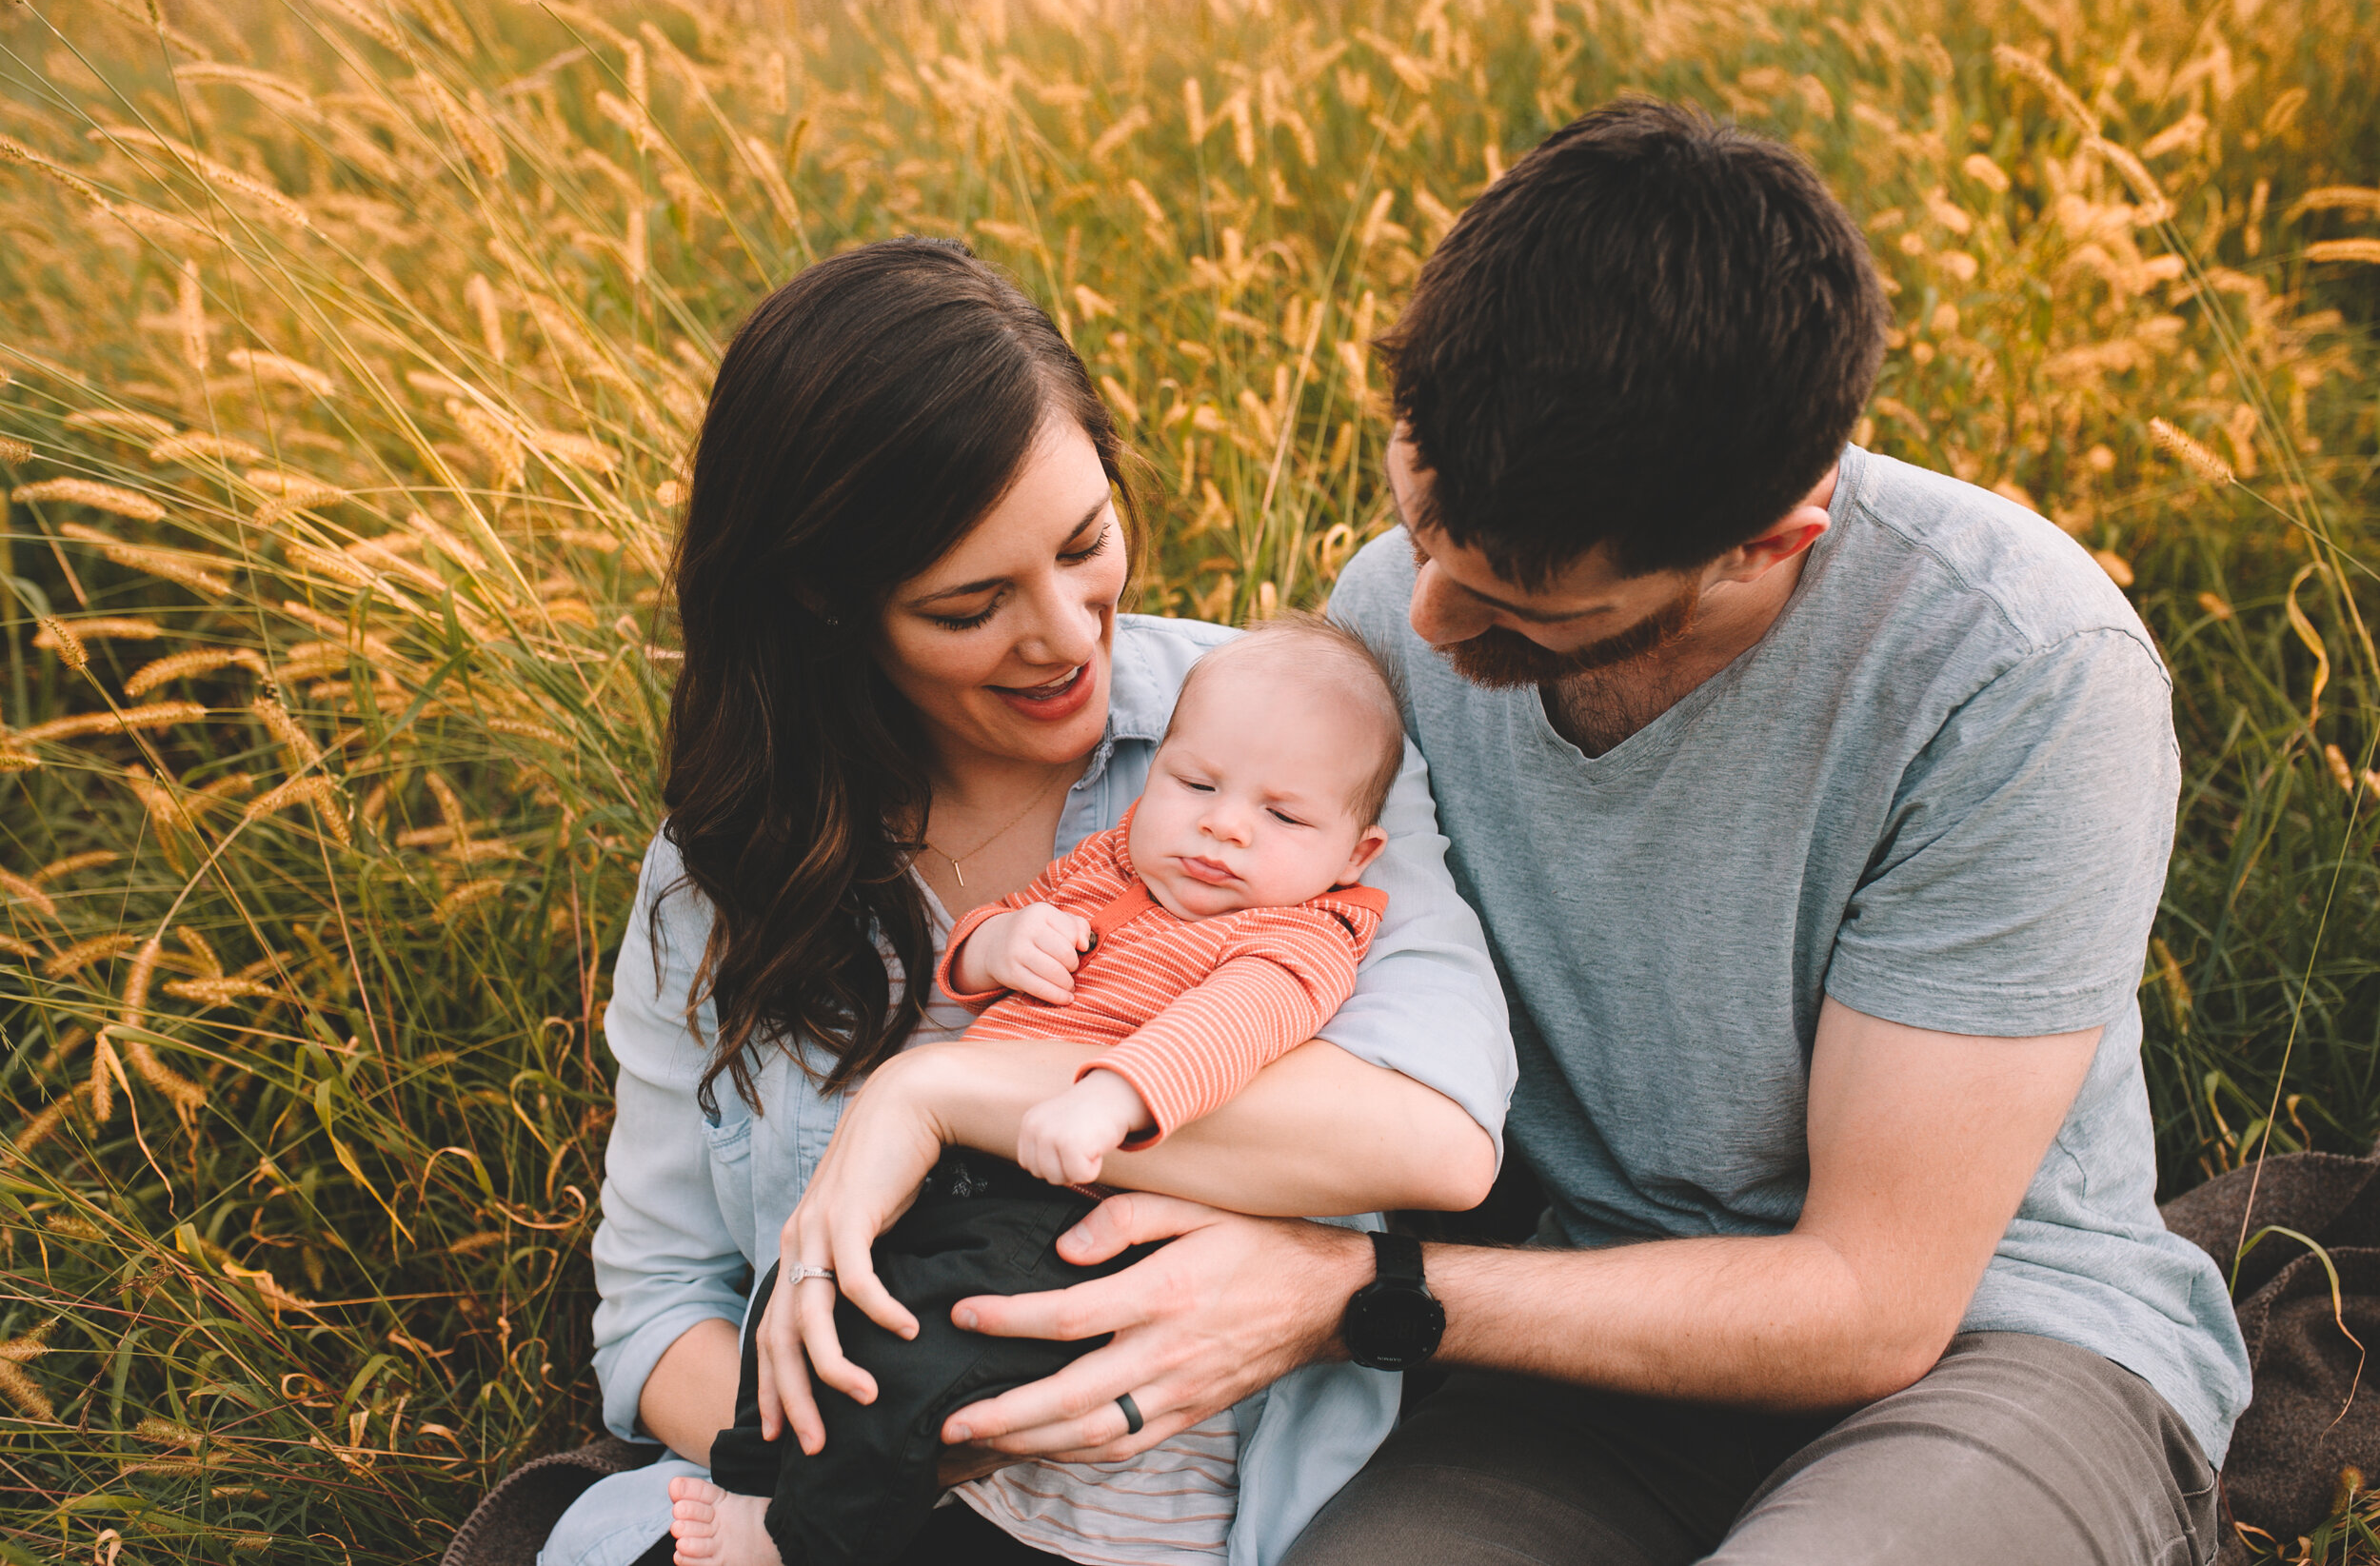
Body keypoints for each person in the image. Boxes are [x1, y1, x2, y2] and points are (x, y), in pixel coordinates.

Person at [812, 101, 2251, 1565]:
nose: (1426, 621)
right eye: (1420, 527)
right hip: (1574, 1351)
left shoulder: (2015, 673)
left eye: (1524, 609)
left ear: (1769, 540)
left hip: (1996, 1347)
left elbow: (1875, 1302)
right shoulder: (1395, 605)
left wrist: (1350, 1288)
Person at [536, 236, 1515, 1566]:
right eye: (972, 602)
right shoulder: (734, 858)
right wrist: (859, 1462)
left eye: (1084, 542)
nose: (1063, 632)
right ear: (832, 600)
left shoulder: (1286, 745)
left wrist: (935, 1092)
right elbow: (654, 1311)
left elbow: (1435, 1134)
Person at [682, 618, 1409, 1562]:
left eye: (1282, 816)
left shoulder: (1299, 936)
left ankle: (812, 1539)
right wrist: (996, 944)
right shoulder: (1113, 863)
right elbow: (984, 941)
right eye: (1195, 784)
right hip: (958, 1170)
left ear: (1354, 853)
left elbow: (1223, 1030)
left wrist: (1107, 1099)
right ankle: (749, 1479)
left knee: (922, 1350)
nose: (1224, 824)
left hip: (1070, 1205)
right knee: (809, 1279)